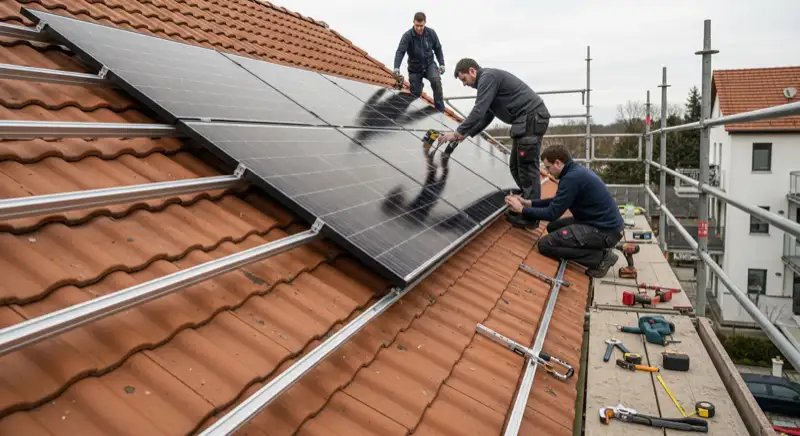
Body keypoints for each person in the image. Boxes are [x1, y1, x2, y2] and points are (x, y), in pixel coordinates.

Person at [437, 58, 550, 229]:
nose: (464, 84)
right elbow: (487, 115)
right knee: (515, 166)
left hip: (531, 119)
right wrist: (466, 134)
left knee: (527, 168)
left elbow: (479, 109)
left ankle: (531, 217)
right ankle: (524, 204)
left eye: (464, 79)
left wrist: (458, 132)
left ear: (472, 71)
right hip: (525, 122)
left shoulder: (487, 77)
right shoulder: (488, 81)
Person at [504, 145, 623, 278]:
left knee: (545, 245)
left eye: (548, 167)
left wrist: (521, 210)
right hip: (598, 224)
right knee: (553, 227)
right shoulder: (574, 172)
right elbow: (557, 201)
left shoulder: (571, 179)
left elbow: (552, 213)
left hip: (603, 231)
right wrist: (529, 203)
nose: (548, 172)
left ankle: (600, 258)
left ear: (558, 163)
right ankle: (596, 248)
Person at [393, 12, 446, 112]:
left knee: (436, 81)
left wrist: (442, 63)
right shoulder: (407, 36)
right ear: (413, 22)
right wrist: (396, 67)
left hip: (429, 64)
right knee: (415, 93)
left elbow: (438, 48)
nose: (418, 28)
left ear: (425, 23)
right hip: (415, 68)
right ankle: (418, 88)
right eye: (417, 25)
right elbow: (400, 51)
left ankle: (440, 110)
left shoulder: (431, 33)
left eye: (421, 26)